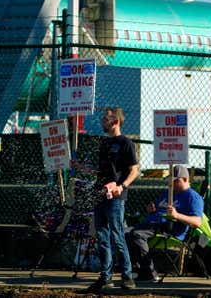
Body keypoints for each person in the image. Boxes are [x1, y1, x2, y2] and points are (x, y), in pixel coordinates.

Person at [83, 107, 139, 293]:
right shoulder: (104, 144)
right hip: (100, 194)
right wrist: (81, 168)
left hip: (116, 197)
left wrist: (121, 187)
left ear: (115, 122)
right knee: (101, 237)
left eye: (106, 119)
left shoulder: (126, 143)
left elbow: (134, 170)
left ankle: (127, 276)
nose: (102, 121)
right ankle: (105, 277)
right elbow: (100, 172)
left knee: (117, 235)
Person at [127, 165, 204, 282]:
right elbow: (160, 212)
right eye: (171, 181)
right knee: (125, 233)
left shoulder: (192, 197)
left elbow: (197, 222)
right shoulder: (167, 192)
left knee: (137, 234)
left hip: (170, 228)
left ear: (185, 179)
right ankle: (138, 269)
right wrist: (152, 212)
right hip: (154, 224)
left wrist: (177, 215)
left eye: (176, 181)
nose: (172, 184)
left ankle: (149, 273)